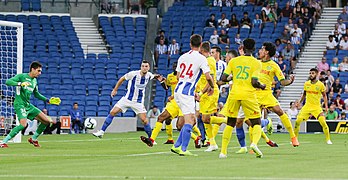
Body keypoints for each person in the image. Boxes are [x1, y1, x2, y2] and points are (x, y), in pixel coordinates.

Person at [218, 38, 267, 158]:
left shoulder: (234, 61)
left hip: (234, 94)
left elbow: (223, 78)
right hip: (248, 95)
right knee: (256, 122)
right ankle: (254, 144)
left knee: (230, 123)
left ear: (243, 48)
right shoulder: (256, 63)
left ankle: (223, 151)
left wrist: (232, 78)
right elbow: (254, 81)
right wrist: (262, 86)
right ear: (254, 49)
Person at [92, 60, 164, 138]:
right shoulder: (133, 74)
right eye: (143, 66)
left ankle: (151, 139)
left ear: (149, 68)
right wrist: (115, 90)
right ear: (140, 67)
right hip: (127, 99)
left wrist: (159, 77)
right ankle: (101, 132)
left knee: (144, 120)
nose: (144, 68)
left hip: (138, 102)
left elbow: (154, 76)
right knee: (112, 112)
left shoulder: (149, 75)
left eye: (146, 66)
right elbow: (122, 79)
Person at [170, 34, 214, 156]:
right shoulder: (201, 59)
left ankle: (177, 145)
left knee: (192, 120)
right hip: (186, 93)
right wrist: (212, 86)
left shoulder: (182, 57)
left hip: (179, 90)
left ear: (190, 44)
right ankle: (183, 149)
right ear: (200, 45)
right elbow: (208, 77)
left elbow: (178, 76)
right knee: (190, 120)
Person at [0, 61, 61, 148]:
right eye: (38, 71)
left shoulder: (34, 81)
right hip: (20, 104)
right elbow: (8, 82)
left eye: (40, 71)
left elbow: (36, 94)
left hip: (28, 105)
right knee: (23, 125)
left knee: (46, 121)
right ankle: (3, 142)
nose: (40, 73)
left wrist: (48, 100)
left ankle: (34, 139)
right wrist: (20, 84)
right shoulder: (22, 76)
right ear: (33, 69)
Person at [257, 42, 299, 147]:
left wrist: (289, 82)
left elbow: (282, 81)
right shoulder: (255, 63)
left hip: (266, 94)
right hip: (254, 95)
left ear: (266, 52)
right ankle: (256, 144)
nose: (260, 51)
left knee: (279, 111)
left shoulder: (274, 66)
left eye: (262, 49)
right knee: (253, 122)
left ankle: (293, 137)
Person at [294, 68, 332, 145]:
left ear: (317, 74)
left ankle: (328, 139)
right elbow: (304, 94)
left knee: (323, 123)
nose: (311, 75)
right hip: (307, 106)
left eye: (313, 73)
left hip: (316, 107)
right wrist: (300, 102)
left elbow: (324, 96)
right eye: (310, 73)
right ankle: (295, 139)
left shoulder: (320, 85)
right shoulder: (306, 83)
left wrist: (326, 106)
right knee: (297, 121)